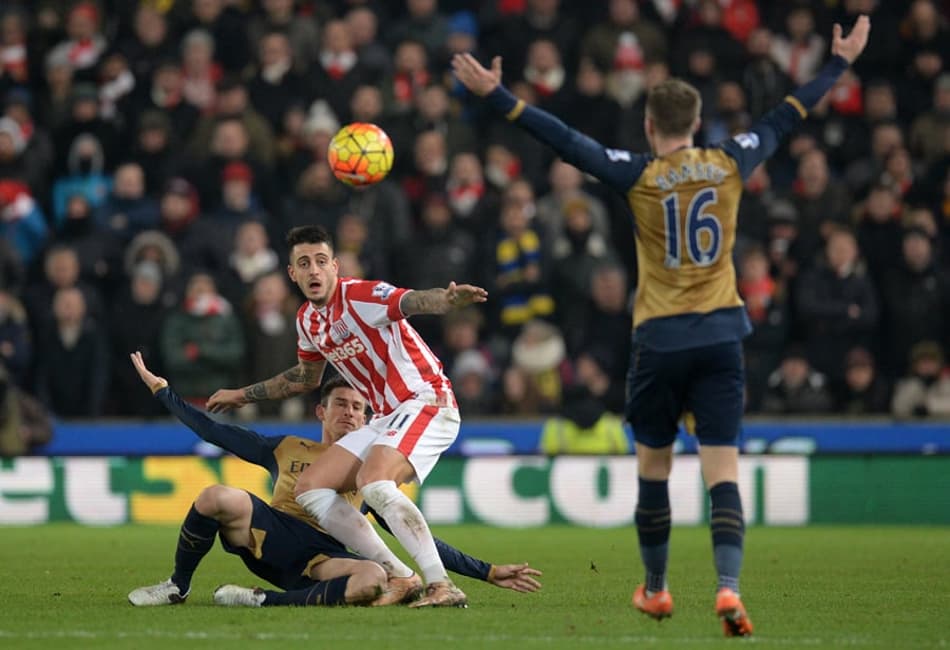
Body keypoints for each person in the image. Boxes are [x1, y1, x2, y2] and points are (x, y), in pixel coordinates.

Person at [453, 14, 871, 637]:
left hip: (659, 340)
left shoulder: (638, 173)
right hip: (722, 337)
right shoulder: (731, 161)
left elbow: (567, 142)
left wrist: (500, 97)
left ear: (650, 126)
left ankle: (655, 589)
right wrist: (838, 64)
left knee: (654, 469)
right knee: (722, 471)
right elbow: (788, 113)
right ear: (696, 123)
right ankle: (728, 588)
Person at [206, 225, 488, 608]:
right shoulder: (307, 321)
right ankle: (400, 576)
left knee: (373, 482)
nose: (314, 270)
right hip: (386, 416)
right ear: (292, 273)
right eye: (304, 263)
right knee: (310, 486)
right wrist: (242, 395)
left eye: (321, 261)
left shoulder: (360, 295)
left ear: (334, 267)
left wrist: (446, 299)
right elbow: (306, 378)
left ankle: (441, 584)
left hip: (426, 400)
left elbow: (411, 301)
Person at [127, 353, 541, 608]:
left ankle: (261, 601)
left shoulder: (371, 469)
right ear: (321, 412)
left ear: (368, 420)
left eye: (359, 408)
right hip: (273, 531)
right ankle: (177, 586)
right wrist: (164, 393)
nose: (350, 413)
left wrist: (487, 571)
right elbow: (215, 432)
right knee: (215, 496)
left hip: (324, 556)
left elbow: (417, 536)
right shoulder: (286, 447)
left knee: (373, 578)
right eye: (341, 404)